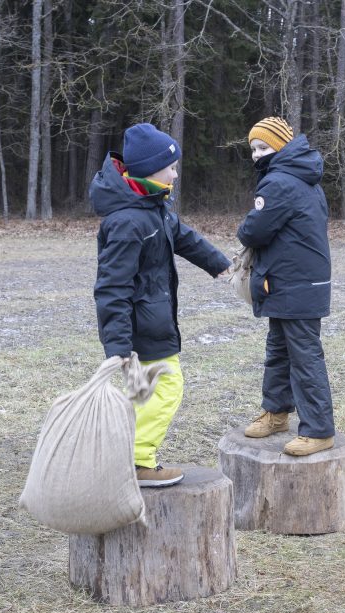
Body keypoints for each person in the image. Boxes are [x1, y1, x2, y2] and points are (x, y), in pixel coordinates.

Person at [89, 122, 230, 487]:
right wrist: (118, 344)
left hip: (154, 319)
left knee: (141, 393)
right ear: (152, 170)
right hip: (142, 326)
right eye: (171, 167)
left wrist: (219, 264)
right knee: (167, 386)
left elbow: (183, 237)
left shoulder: (154, 206)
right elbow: (111, 287)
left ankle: (123, 457)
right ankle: (137, 461)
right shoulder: (128, 221)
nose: (176, 173)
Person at [237, 117, 336, 456]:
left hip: (296, 283)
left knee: (305, 357)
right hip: (290, 281)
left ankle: (319, 430)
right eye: (252, 148)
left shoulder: (278, 182)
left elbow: (254, 230)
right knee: (279, 348)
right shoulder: (301, 177)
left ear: (280, 147)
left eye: (263, 147)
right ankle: (276, 412)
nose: (256, 155)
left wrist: (245, 224)